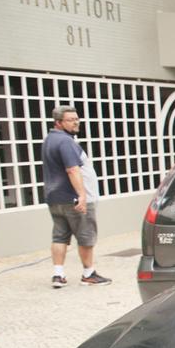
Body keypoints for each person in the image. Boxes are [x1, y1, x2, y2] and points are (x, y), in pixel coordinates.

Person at [42, 105, 110, 287]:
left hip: (55, 198)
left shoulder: (49, 139)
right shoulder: (65, 142)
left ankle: (58, 275)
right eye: (70, 120)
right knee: (86, 236)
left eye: (76, 118)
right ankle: (88, 274)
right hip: (73, 199)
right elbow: (72, 170)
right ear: (58, 122)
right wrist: (82, 195)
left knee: (59, 237)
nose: (76, 122)